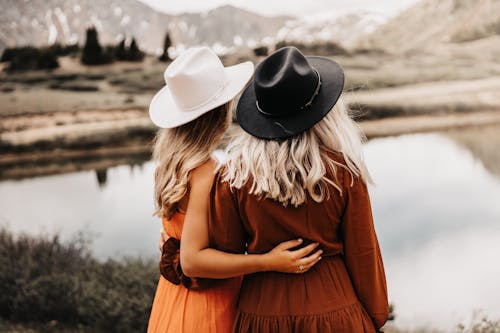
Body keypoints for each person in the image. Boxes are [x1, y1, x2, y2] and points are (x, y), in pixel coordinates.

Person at [180, 47, 389, 332]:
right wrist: (374, 317)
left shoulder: (232, 177)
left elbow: (223, 253)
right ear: (323, 111)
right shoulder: (344, 172)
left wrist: (173, 256)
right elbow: (363, 255)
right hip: (335, 312)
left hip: (260, 314)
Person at [147, 47, 322, 333]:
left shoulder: (170, 164)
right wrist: (268, 261)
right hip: (207, 311)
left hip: (172, 301)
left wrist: (171, 245)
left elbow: (178, 239)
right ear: (221, 113)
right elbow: (192, 261)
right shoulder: (205, 172)